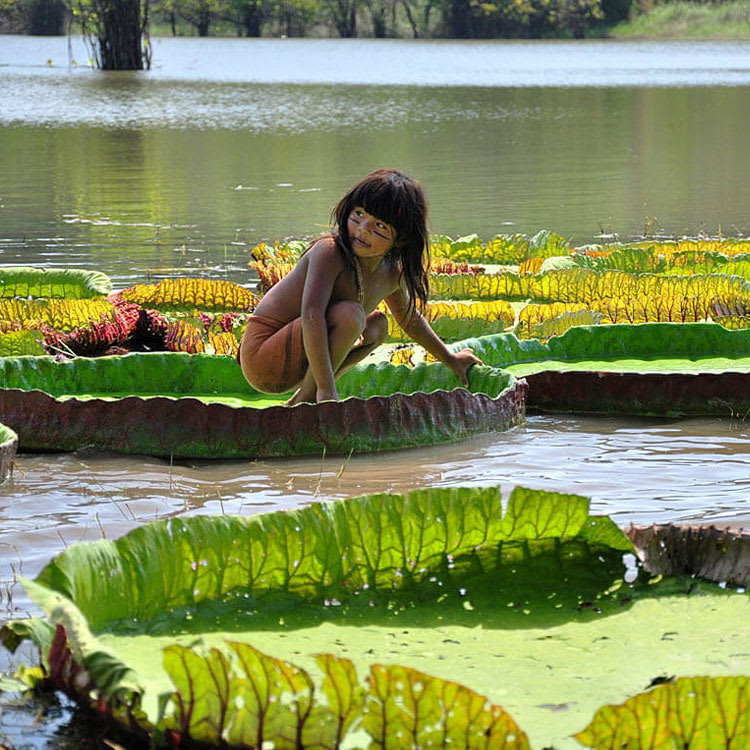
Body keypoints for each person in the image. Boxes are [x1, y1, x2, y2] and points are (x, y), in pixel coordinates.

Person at [239, 168, 483, 405]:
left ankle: (302, 400)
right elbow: (312, 314)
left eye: (380, 226)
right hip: (262, 357)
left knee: (378, 326)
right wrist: (326, 389)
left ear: (401, 238)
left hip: (299, 361)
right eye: (359, 214)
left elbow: (410, 321)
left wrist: (450, 358)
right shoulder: (329, 252)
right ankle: (314, 397)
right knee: (351, 315)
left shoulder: (391, 274)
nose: (363, 229)